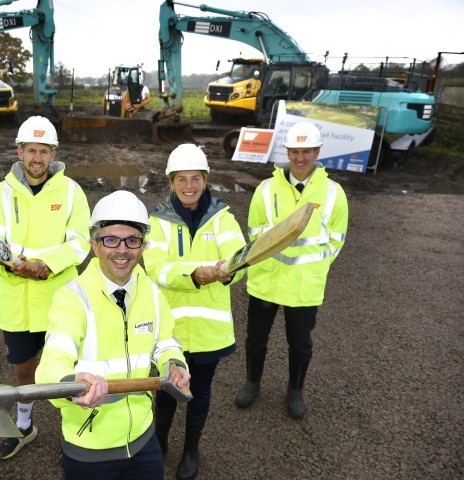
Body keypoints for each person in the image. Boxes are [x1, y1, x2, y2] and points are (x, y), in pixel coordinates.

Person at [36, 190, 191, 480]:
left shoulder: (152, 292)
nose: (122, 250)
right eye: (110, 240)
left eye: (132, 240)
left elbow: (165, 341)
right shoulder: (72, 298)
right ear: (94, 245)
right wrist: (72, 382)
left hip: (144, 440)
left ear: (143, 246)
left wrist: (174, 363)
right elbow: (51, 366)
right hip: (90, 448)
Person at [0, 115, 91, 460]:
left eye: (44, 151)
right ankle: (25, 427)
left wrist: (46, 264)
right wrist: (15, 266)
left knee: (65, 372)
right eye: (31, 150)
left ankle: (74, 434)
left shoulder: (71, 192)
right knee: (24, 370)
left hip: (61, 301)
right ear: (19, 152)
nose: (37, 158)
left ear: (53, 153)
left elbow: (80, 242)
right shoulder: (0, 194)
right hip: (19, 302)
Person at [143, 144, 246, 480]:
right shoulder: (156, 222)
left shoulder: (224, 218)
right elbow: (157, 268)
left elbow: (239, 263)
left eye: (196, 179)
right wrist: (200, 272)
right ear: (171, 182)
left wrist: (229, 270)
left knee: (199, 392)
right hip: (167, 331)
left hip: (208, 331)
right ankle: (159, 443)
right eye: (182, 179)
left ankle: (191, 448)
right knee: (167, 391)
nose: (189, 186)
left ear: (205, 180)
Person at [234, 120, 348, 419]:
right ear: (287, 151)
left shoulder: (334, 193)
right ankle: (252, 383)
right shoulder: (266, 188)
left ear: (317, 152)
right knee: (256, 339)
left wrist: (317, 265)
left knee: (300, 345)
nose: (300, 158)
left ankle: (295, 391)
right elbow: (254, 229)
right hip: (266, 280)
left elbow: (337, 238)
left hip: (303, 285)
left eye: (307, 151)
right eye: (295, 151)